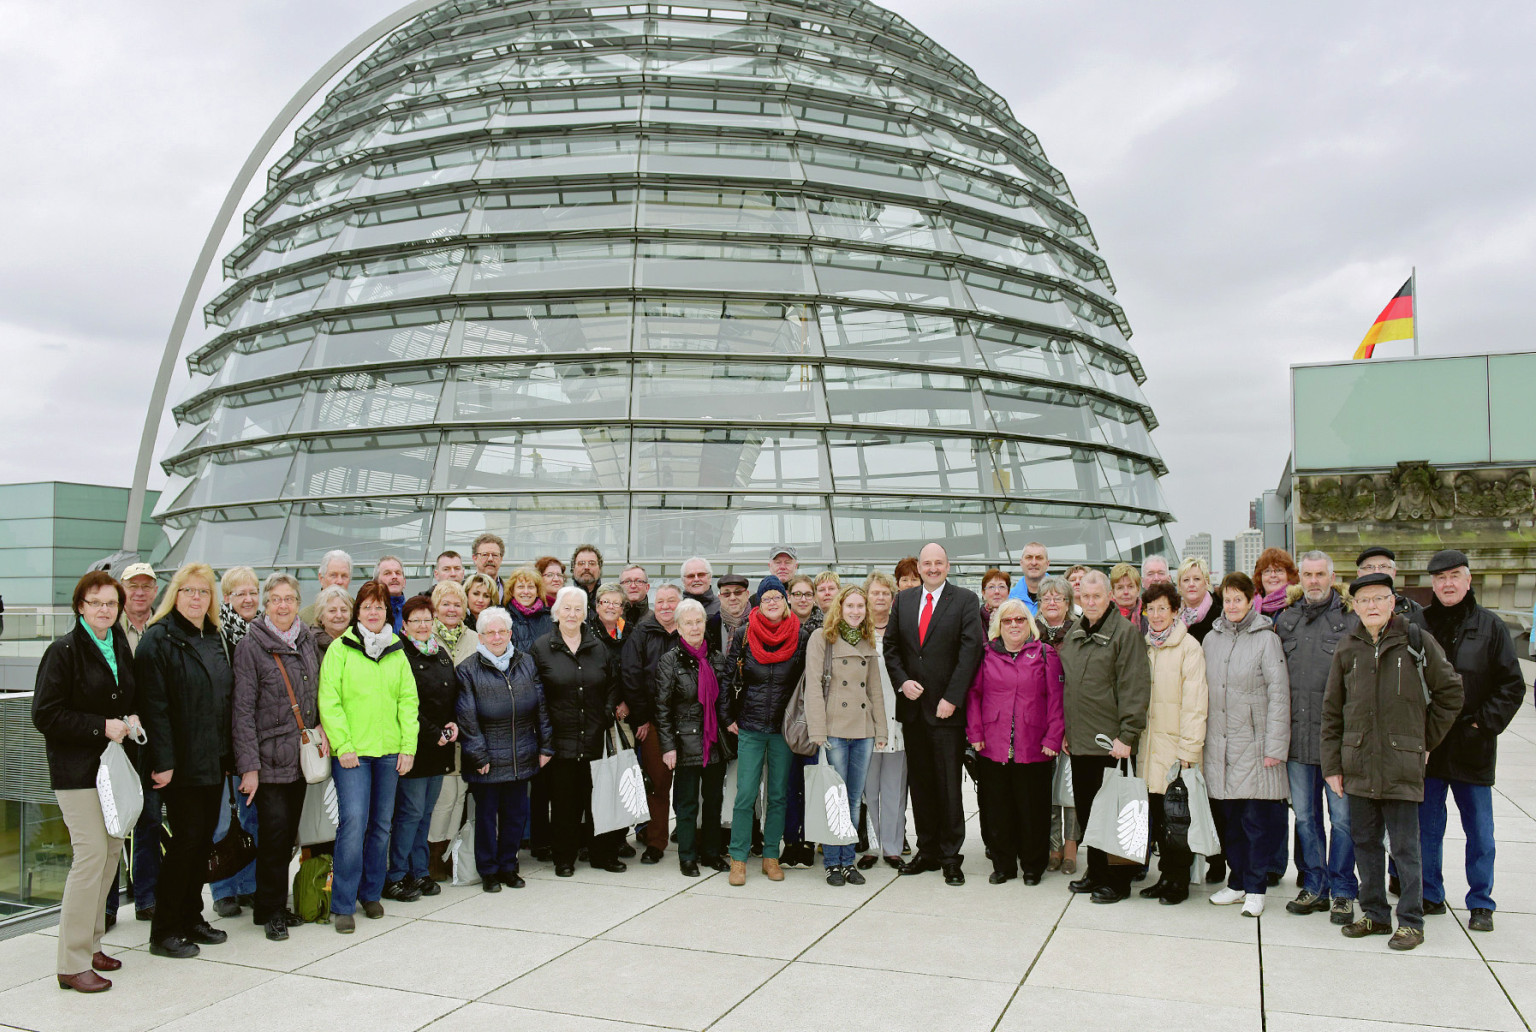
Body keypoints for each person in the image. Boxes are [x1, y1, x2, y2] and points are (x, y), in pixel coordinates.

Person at [1322, 572, 1462, 951]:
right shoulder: (1347, 647)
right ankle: (1375, 915)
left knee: (1405, 848)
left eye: (1378, 598)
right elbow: (1332, 710)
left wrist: (1423, 741)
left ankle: (1411, 922)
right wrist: (1332, 765)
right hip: (1359, 764)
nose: (1371, 606)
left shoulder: (1416, 641)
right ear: (1355, 606)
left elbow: (1451, 693)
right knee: (1365, 842)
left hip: (1401, 764)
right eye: (1363, 600)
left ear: (1392, 602)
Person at [33, 571, 139, 991]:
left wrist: (130, 719)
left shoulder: (118, 645)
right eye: (95, 602)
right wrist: (102, 727)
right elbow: (45, 714)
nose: (104, 610)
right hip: (76, 773)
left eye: (111, 604)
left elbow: (125, 698)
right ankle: (71, 962)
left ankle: (93, 944)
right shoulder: (62, 651)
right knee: (92, 854)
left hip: (111, 770)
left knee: (112, 850)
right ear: (80, 606)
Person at [1420, 549, 1524, 932]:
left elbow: (1511, 685)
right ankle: (1430, 894)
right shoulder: (1419, 624)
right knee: (1426, 827)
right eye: (1440, 578)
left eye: (1454, 576)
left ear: (1468, 580)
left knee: (1480, 829)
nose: (1447, 584)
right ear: (1433, 584)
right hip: (1430, 743)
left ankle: (1481, 901)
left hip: (1473, 742)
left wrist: (1483, 725)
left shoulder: (1491, 626)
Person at [135, 562, 233, 958]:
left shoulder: (214, 637)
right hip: (179, 763)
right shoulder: (157, 640)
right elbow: (152, 707)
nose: (197, 598)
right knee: (183, 844)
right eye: (190, 591)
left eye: (204, 592)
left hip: (214, 759)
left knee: (201, 840)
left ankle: (192, 916)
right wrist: (163, 761)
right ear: (175, 594)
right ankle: (164, 931)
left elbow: (224, 699)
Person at [317, 579, 418, 933]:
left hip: (390, 751)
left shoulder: (396, 649)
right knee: (354, 823)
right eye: (367, 607)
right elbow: (329, 701)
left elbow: (408, 701)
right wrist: (343, 745)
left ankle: (370, 893)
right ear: (357, 612)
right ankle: (343, 903)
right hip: (354, 756)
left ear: (386, 611)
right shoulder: (341, 649)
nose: (373, 612)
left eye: (379, 606)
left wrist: (408, 746)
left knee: (381, 826)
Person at [885, 543, 985, 886]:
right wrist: (902, 681)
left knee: (948, 787)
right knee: (922, 786)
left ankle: (950, 856)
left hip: (946, 713)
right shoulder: (905, 600)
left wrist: (952, 698)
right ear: (920, 566)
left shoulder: (965, 601)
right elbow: (892, 647)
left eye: (938, 563)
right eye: (926, 563)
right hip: (913, 710)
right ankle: (926, 851)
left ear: (947, 566)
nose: (932, 568)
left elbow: (971, 651)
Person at [230, 573, 322, 941]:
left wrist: (321, 729)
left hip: (299, 756)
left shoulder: (306, 640)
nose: (283, 605)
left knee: (287, 839)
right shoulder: (251, 646)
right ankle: (270, 911)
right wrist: (249, 767)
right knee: (273, 838)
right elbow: (242, 711)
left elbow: (314, 692)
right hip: (267, 760)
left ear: (298, 602)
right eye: (276, 599)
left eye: (290, 599)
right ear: (266, 604)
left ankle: (273, 905)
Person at [1275, 550, 1357, 925]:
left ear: (1331, 575)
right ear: (1300, 578)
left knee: (1342, 821)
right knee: (1306, 819)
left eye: (1320, 574)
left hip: (1337, 745)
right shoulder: (1285, 621)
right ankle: (1315, 885)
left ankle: (1342, 890)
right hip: (1297, 743)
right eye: (1307, 574)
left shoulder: (1350, 620)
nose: (1313, 581)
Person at [1057, 569, 1149, 904]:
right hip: (1081, 742)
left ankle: (1119, 880)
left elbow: (1134, 686)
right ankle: (1096, 871)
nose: (1091, 602)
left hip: (1112, 744)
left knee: (1119, 813)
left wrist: (1127, 734)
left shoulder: (1124, 634)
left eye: (1097, 596)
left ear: (1109, 596)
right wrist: (1067, 730)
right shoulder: (1077, 634)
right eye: (1085, 597)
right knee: (1089, 812)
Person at [1202, 572, 1290, 917]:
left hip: (1253, 744)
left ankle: (1256, 887)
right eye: (1228, 599)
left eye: (1239, 599)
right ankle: (1236, 881)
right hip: (1218, 744)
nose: (1233, 605)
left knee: (1255, 822)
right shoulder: (1212, 639)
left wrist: (1275, 747)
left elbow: (1279, 694)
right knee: (1229, 820)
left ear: (1252, 600)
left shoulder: (1266, 639)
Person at [531, 586, 626, 877]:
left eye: (578, 609)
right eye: (566, 608)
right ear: (556, 612)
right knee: (564, 803)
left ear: (585, 614)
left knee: (597, 799)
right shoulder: (541, 647)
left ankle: (601, 854)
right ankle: (564, 858)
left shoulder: (599, 647)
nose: (572, 614)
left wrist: (607, 712)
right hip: (559, 739)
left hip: (596, 737)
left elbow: (613, 684)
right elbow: (536, 695)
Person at [967, 599, 1062, 887]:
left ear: (1029, 624)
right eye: (1008, 621)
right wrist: (976, 734)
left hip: (1035, 745)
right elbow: (973, 696)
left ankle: (1033, 866)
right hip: (993, 746)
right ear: (999, 626)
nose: (1014, 625)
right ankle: (1003, 864)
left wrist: (1053, 737)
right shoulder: (985, 655)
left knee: (1033, 810)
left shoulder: (1046, 654)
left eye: (1020, 620)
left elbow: (1057, 700)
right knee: (997, 809)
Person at [456, 606, 552, 891]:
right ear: (481, 637)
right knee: (486, 818)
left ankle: (509, 866)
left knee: (515, 815)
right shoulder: (467, 670)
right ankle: (488, 871)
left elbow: (542, 708)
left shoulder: (526, 662)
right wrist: (478, 755)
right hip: (487, 758)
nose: (497, 637)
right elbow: (467, 717)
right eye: (490, 632)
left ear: (510, 634)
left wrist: (546, 746)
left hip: (522, 752)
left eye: (502, 631)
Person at [724, 576, 806, 885]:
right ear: (759, 602)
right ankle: (739, 858)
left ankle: (771, 855)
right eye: (767, 597)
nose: (772, 602)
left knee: (777, 795)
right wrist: (727, 716)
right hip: (750, 726)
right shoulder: (745, 634)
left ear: (786, 601)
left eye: (777, 597)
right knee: (745, 794)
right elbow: (728, 676)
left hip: (783, 729)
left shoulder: (801, 634)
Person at [805, 585, 887, 886]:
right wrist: (817, 729)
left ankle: (848, 860)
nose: (855, 611)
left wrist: (881, 730)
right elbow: (813, 686)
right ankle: (831, 863)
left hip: (863, 730)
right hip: (834, 730)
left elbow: (875, 689)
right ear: (839, 607)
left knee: (853, 800)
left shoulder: (868, 640)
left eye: (860, 606)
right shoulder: (821, 639)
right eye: (850, 605)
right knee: (835, 800)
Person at [1137, 580, 1208, 905]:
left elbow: (1196, 704)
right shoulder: (1145, 646)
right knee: (1158, 818)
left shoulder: (1188, 648)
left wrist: (1189, 751)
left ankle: (1178, 879)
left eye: (1162, 608)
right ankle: (1165, 875)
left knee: (1177, 820)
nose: (1156, 615)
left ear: (1175, 611)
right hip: (1150, 748)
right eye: (1150, 609)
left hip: (1177, 751)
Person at [384, 597, 459, 903]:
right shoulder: (400, 654)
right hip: (415, 747)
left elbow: (450, 695)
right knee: (409, 813)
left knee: (425, 813)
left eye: (428, 619)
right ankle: (397, 875)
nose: (424, 625)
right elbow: (404, 704)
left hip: (440, 747)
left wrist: (453, 724)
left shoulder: (440, 653)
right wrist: (432, 734)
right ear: (405, 625)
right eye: (416, 620)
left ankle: (420, 870)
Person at [655, 597, 734, 877]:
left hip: (714, 741)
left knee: (713, 802)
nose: (694, 627)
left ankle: (711, 853)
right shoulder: (669, 661)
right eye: (688, 622)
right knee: (687, 804)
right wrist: (668, 747)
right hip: (685, 741)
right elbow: (662, 708)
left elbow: (724, 699)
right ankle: (687, 857)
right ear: (678, 626)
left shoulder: (715, 658)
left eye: (698, 621)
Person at [211, 565, 261, 919]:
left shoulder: (263, 632)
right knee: (222, 822)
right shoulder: (215, 636)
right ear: (226, 598)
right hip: (222, 745)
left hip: (256, 744)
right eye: (239, 593)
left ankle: (249, 885)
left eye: (252, 592)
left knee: (252, 818)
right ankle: (223, 888)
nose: (247, 599)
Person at [621, 583, 683, 864]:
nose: (666, 606)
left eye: (672, 601)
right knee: (657, 784)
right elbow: (632, 675)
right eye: (661, 602)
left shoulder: (690, 629)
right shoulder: (641, 633)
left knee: (689, 785)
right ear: (654, 604)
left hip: (687, 720)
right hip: (655, 721)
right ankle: (656, 841)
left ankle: (691, 837)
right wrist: (642, 717)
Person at [115, 562, 159, 927]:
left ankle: (146, 896)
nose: (140, 592)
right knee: (111, 823)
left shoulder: (161, 629)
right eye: (134, 586)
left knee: (148, 818)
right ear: (122, 590)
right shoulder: (107, 629)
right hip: (116, 741)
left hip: (153, 740)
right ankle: (107, 906)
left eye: (147, 586)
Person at [425, 580, 479, 875]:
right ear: (435, 607)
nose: (451, 609)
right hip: (439, 731)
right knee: (444, 798)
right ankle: (432, 856)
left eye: (457, 604)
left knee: (460, 794)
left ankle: (447, 856)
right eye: (445, 603)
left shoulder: (474, 638)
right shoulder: (426, 636)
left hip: (468, 728)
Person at [859, 571, 907, 871]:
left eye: (885, 593)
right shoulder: (857, 631)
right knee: (869, 789)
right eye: (874, 593)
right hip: (864, 722)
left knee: (894, 790)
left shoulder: (903, 631)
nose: (880, 598)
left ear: (893, 598)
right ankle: (873, 847)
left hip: (898, 720)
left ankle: (893, 846)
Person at [1035, 576, 1078, 874]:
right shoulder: (1030, 632)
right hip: (1039, 722)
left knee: (1071, 790)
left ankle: (1072, 848)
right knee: (1047, 789)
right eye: (1047, 598)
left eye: (1058, 598)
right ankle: (1053, 847)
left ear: (1068, 603)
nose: (1052, 602)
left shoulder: (1079, 631)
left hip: (1075, 719)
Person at [1354, 546, 1428, 629]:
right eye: (1369, 567)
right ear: (1359, 574)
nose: (1377, 572)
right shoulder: (1346, 611)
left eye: (1383, 566)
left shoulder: (1413, 609)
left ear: (1394, 572)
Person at [504, 567, 553, 654]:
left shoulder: (550, 618)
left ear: (537, 591)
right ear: (512, 591)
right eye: (520, 587)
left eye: (530, 587)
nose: (526, 591)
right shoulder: (503, 617)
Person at [299, 549, 353, 626]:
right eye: (333, 575)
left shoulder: (360, 613)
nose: (339, 581)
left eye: (344, 576)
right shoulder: (305, 617)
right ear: (321, 578)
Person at [1176, 557, 1221, 644]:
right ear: (1179, 585)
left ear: (1206, 583)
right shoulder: (1172, 617)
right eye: (1186, 580)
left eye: (1197, 579)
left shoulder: (1221, 618)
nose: (1191, 584)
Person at [1253, 548, 1299, 621]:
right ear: (1260, 576)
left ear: (1289, 575)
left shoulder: (1298, 606)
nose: (1273, 575)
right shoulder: (1250, 606)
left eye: (1279, 570)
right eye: (1267, 571)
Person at [1008, 542, 1048, 614]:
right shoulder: (1009, 598)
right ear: (1021, 563)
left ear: (1047, 564)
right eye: (1029, 557)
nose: (1034, 562)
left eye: (1039, 558)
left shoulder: (1062, 594)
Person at [311, 584, 354, 652]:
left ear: (350, 614)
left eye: (344, 610)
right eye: (332, 611)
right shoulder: (311, 646)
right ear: (321, 616)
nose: (339, 615)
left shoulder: (359, 643)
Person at [588, 582, 627, 654]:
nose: (611, 607)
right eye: (606, 602)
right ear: (597, 606)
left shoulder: (630, 633)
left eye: (616, 603)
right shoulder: (586, 632)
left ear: (622, 609)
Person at [716, 573, 751, 652]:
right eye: (726, 594)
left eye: (738, 592)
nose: (732, 598)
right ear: (720, 598)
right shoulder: (711, 625)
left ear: (747, 594)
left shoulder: (760, 622)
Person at [375, 556, 409, 632]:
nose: (394, 577)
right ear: (376, 582)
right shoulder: (370, 614)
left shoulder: (413, 613)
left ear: (404, 582)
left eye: (398, 573)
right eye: (387, 573)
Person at [682, 556, 721, 621]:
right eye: (691, 576)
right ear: (683, 581)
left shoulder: (722, 608)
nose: (696, 579)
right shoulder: (675, 609)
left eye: (701, 575)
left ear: (710, 577)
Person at [1109, 562, 1142, 628]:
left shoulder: (1151, 618)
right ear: (1113, 593)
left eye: (1130, 586)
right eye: (1120, 588)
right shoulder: (1104, 620)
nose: (1126, 592)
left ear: (1138, 590)